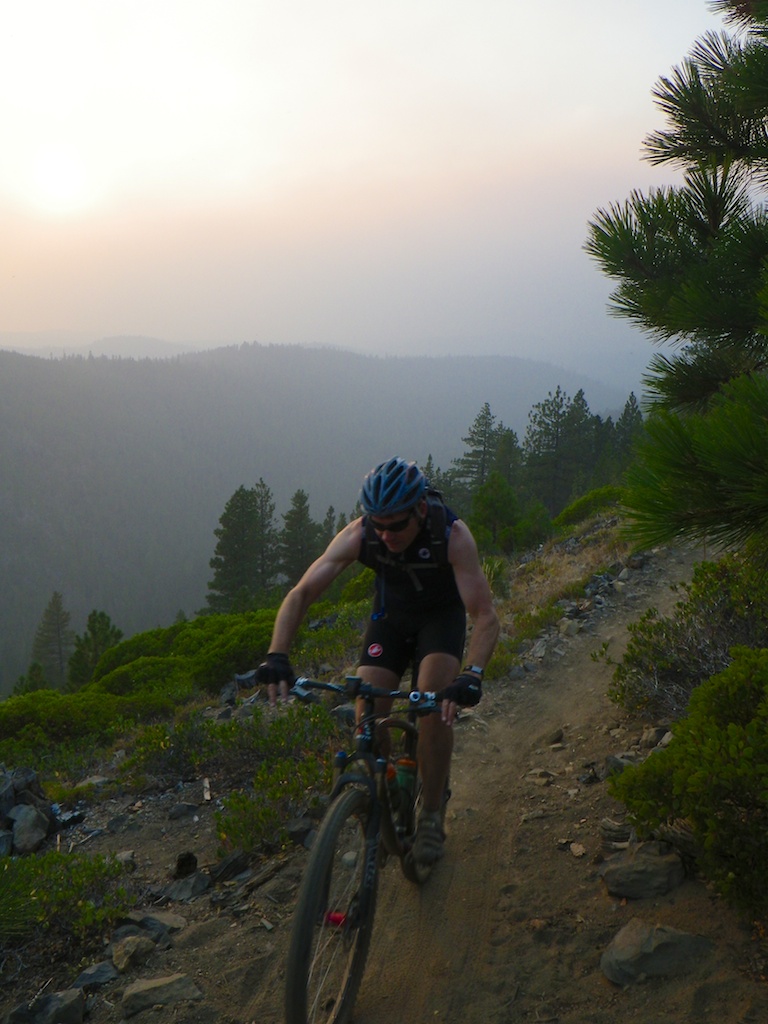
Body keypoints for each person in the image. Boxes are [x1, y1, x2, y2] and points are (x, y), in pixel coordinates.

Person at [256, 456, 500, 864]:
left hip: (440, 621)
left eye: (396, 525)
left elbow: (485, 615)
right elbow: (302, 593)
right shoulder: (360, 534)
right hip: (390, 620)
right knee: (366, 709)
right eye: (378, 524)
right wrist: (277, 654)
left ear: (419, 509)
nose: (386, 535)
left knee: (433, 706)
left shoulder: (452, 535)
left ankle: (432, 814)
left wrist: (472, 674)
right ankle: (387, 791)